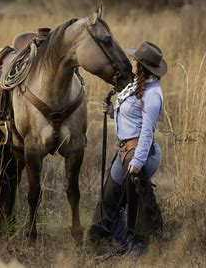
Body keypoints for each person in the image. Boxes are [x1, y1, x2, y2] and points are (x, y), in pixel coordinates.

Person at [89, 41, 167, 257]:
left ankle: (138, 247)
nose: (131, 61)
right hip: (125, 151)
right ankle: (116, 241)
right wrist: (112, 112)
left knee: (134, 201)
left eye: (135, 60)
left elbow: (147, 132)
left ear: (142, 66)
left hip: (138, 153)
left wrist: (137, 162)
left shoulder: (152, 94)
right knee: (109, 197)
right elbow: (131, 119)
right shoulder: (136, 85)